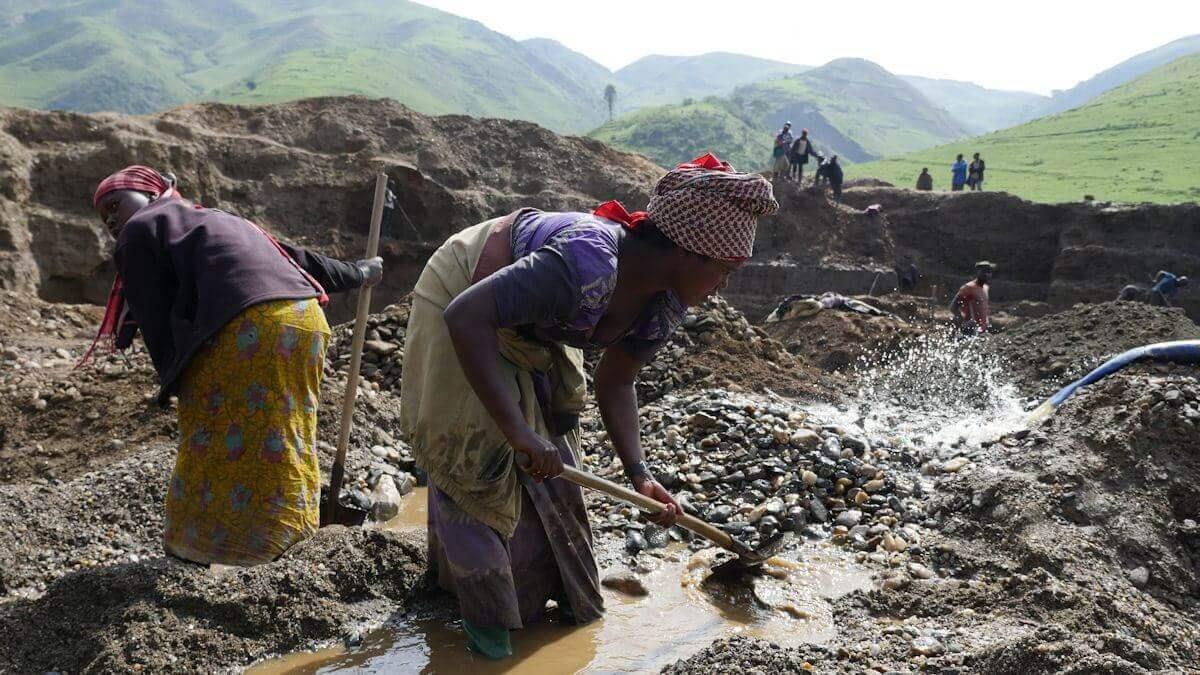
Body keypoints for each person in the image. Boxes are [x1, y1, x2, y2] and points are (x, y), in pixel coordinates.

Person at [399, 153, 777, 659]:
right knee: (479, 463)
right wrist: (515, 432)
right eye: (725, 270)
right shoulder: (586, 261)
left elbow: (617, 381)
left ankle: (554, 614)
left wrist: (640, 475)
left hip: (534, 326)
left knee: (555, 465)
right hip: (464, 297)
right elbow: (467, 315)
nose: (724, 285)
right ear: (690, 253)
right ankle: (487, 645)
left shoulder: (664, 300)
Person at [87, 165, 384, 567]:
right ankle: (290, 539)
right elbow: (298, 260)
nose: (110, 218)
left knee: (207, 435)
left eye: (115, 204)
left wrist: (173, 382)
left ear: (151, 193)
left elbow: (154, 315)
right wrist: (362, 273)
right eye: (103, 214)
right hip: (304, 322)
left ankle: (202, 548)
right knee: (283, 433)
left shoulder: (140, 230)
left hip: (246, 329)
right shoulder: (218, 221)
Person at [950, 261, 993, 335]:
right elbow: (953, 307)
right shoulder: (969, 288)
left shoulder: (986, 288)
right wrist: (963, 321)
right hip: (969, 330)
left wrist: (986, 321)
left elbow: (983, 307)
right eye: (984, 271)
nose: (987, 274)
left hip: (981, 330)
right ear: (977, 272)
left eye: (989, 272)